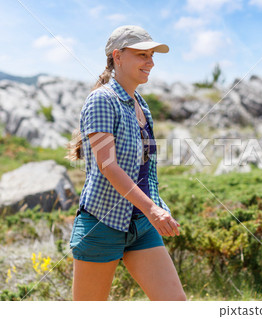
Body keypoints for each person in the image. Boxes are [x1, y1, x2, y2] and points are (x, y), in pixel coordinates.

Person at [66, 25, 186, 301]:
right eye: (142, 55)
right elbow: (108, 167)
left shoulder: (140, 105)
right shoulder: (101, 100)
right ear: (117, 56)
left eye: (152, 55)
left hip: (141, 226)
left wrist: (152, 208)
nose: (151, 62)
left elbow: (145, 167)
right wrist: (154, 210)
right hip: (102, 225)